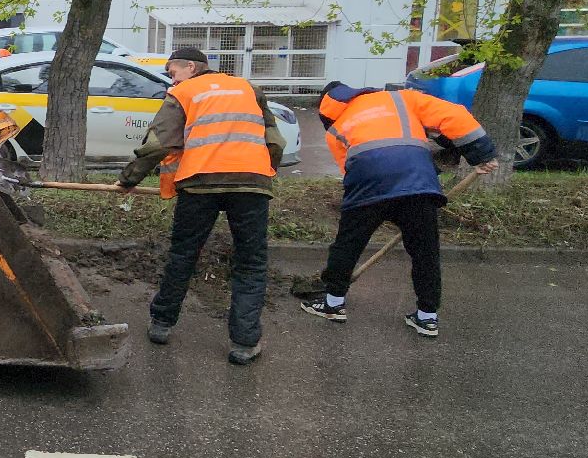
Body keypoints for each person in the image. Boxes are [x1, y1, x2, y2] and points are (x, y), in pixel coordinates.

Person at [118, 46, 286, 365]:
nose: (171, 78)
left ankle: (162, 325)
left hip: (199, 183)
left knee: (183, 254)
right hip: (252, 184)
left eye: (173, 72)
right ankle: (244, 344)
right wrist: (264, 173)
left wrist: (129, 179)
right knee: (250, 263)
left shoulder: (184, 92)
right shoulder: (249, 88)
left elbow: (159, 144)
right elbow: (276, 141)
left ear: (192, 68)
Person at [300, 82, 498, 337]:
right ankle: (427, 318)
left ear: (327, 108)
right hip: (417, 184)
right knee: (425, 252)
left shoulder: (336, 128)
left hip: (367, 185)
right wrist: (482, 154)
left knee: (347, 244)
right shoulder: (403, 99)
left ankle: (333, 302)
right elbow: (455, 116)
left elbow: (348, 169)